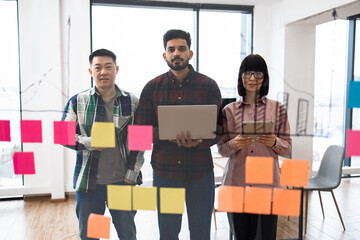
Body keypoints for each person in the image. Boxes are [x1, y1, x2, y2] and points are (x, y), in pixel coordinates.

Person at [132, 29, 222, 240]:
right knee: (169, 233)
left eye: (182, 49)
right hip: (167, 173)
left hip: (200, 174)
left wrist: (200, 141)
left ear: (191, 53)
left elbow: (220, 129)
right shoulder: (152, 88)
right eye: (171, 49)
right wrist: (166, 134)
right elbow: (137, 135)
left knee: (201, 233)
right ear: (165, 55)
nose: (176, 53)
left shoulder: (209, 86)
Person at [61, 48, 143, 240]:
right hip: (89, 184)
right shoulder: (77, 101)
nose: (103, 72)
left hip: (122, 182)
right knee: (91, 236)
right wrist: (89, 142)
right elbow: (62, 135)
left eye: (108, 67)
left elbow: (141, 141)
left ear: (117, 69)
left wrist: (131, 176)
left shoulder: (132, 101)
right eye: (98, 67)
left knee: (127, 234)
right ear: (90, 71)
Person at [217, 54, 292, 240]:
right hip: (236, 184)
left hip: (268, 186)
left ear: (264, 78)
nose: (252, 79)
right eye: (247, 74)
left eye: (257, 74)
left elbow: (287, 148)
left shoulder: (278, 109)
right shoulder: (228, 110)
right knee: (241, 236)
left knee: (266, 235)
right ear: (241, 77)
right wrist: (236, 143)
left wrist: (273, 142)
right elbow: (221, 149)